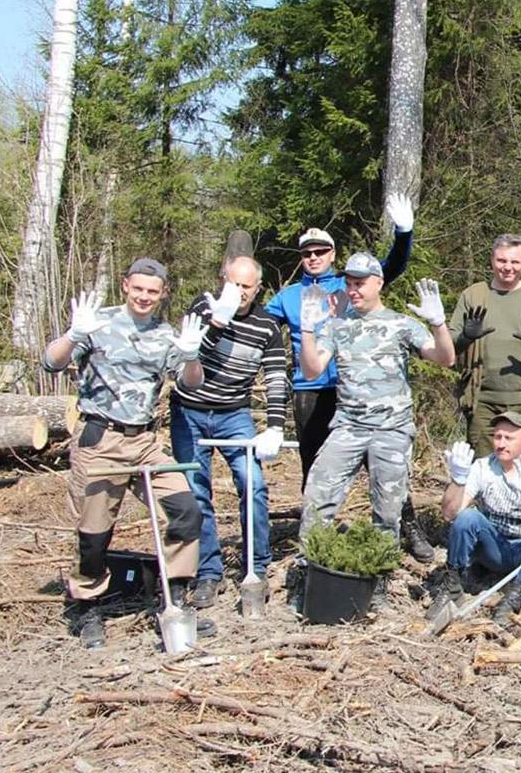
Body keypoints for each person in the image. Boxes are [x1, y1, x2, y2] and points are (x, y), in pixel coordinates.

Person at [41, 259, 210, 649]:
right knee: (94, 532)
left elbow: (191, 384)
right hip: (100, 438)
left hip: (145, 442)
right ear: (125, 286)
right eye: (139, 289)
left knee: (186, 510)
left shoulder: (165, 334)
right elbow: (51, 362)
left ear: (163, 294)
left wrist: (190, 356)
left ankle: (176, 598)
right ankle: (87, 607)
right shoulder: (97, 323)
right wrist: (73, 334)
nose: (144, 297)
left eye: (153, 291)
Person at [294, 254, 455, 607]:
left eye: (360, 283)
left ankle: (379, 579)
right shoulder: (336, 326)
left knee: (388, 508)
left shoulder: (401, 324)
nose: (353, 290)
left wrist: (439, 324)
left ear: (378, 283)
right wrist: (306, 329)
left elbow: (445, 358)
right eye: (349, 284)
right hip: (348, 427)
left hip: (391, 429)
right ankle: (309, 573)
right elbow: (312, 370)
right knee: (317, 495)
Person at [266, 193, 415, 487]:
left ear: (332, 254)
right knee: (313, 464)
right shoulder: (287, 296)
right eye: (307, 253)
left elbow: (391, 267)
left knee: (380, 464)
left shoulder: (348, 286)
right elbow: (261, 327)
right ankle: (315, 517)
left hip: (354, 387)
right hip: (310, 390)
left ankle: (398, 513)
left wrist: (404, 233)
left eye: (320, 251)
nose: (313, 257)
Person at [171, 256, 290, 608]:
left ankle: (257, 566)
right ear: (223, 279)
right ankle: (209, 572)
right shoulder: (203, 307)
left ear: (258, 289)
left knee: (253, 484)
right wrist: (217, 324)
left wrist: (275, 426)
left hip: (233, 413)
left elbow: (275, 377)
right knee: (196, 491)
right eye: (233, 284)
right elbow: (191, 360)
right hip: (189, 411)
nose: (239, 292)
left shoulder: (266, 327)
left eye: (246, 287)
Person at [429, 412, 521, 626]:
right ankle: (452, 588)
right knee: (467, 517)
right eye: (497, 437)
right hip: (493, 547)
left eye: (509, 438)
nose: (501, 444)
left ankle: (512, 601)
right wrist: (458, 480)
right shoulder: (482, 467)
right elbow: (450, 514)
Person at [449, 233, 521, 464]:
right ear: (492, 260)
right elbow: (449, 342)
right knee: (483, 466)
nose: (508, 267)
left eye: (514, 261)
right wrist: (465, 337)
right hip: (483, 401)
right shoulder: (473, 295)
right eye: (502, 260)